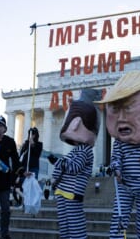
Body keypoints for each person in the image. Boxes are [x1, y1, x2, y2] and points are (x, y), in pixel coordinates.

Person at [96, 71, 140, 239]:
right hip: (124, 186)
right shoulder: (120, 142)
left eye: (129, 107)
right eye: (115, 109)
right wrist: (117, 170)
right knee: (119, 220)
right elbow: (115, 158)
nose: (121, 118)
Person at [47, 89, 100, 239]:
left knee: (75, 225)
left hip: (73, 193)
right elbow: (63, 166)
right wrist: (54, 179)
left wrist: (57, 161)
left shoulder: (86, 150)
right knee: (64, 224)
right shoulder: (76, 150)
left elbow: (74, 168)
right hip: (63, 191)